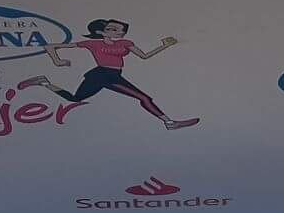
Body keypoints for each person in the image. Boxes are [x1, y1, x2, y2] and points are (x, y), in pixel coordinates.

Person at [17, 17, 199, 130]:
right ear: (100, 31)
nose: (119, 31)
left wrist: (164, 46)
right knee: (143, 98)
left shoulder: (126, 43)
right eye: (113, 29)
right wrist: (58, 61)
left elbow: (144, 56)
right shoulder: (93, 44)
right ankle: (169, 123)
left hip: (113, 75)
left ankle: (44, 82)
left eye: (120, 29)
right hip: (101, 75)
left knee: (75, 99)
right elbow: (50, 46)